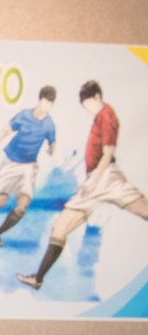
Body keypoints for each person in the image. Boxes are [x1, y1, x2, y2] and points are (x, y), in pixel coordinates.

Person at [19, 79, 148, 289]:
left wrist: (94, 180)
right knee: (60, 227)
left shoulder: (107, 115)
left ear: (97, 97)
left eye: (89, 104)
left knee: (144, 209)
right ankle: (38, 279)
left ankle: (38, 278)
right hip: (96, 180)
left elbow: (108, 154)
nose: (88, 109)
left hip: (105, 177)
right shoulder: (100, 117)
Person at [0, 85, 56, 246]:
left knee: (22, 207)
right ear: (40, 100)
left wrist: (51, 150)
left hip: (29, 167)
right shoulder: (24, 116)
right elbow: (4, 132)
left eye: (51, 103)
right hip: (11, 162)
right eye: (46, 102)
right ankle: (8, 191)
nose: (48, 106)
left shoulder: (49, 124)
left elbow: (52, 143)